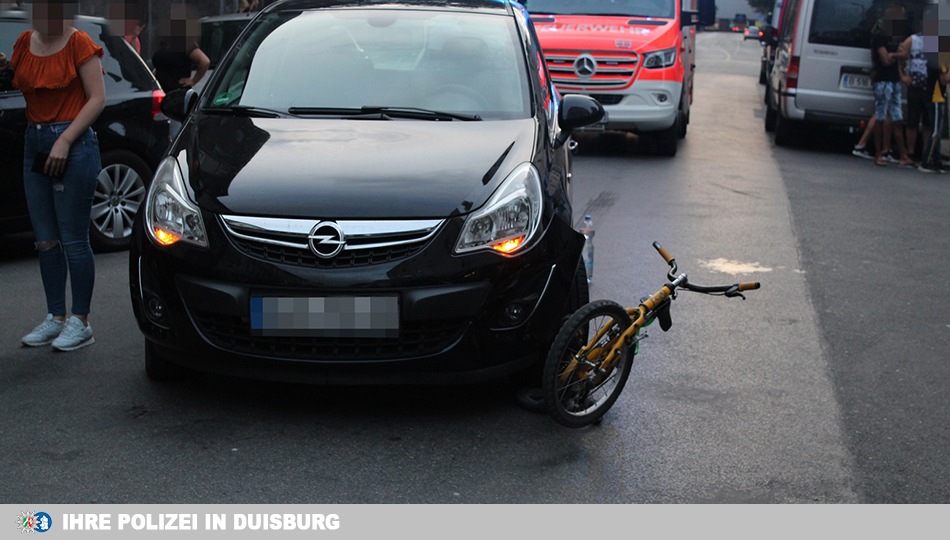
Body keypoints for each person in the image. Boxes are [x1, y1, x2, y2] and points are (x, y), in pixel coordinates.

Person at [11, 0, 105, 351]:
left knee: (74, 239)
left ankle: (81, 321)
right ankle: (56, 317)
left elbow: (97, 99)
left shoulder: (79, 42)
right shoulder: (24, 42)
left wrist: (65, 140)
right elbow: (25, 83)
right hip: (35, 142)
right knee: (46, 239)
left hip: (73, 143)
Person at [151, 4, 209, 137]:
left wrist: (193, 80)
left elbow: (204, 62)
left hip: (176, 96)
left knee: (175, 131)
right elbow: (160, 64)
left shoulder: (187, 43)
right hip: (160, 93)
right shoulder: (165, 43)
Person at [870, 3, 914, 168]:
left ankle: (903, 155)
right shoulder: (879, 36)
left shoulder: (896, 37)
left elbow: (903, 54)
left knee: (897, 118)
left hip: (895, 81)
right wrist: (897, 55)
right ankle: (878, 154)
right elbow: (885, 60)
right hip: (883, 81)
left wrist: (894, 54)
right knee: (880, 117)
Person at [898, 29, 928, 164]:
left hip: (932, 87)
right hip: (914, 86)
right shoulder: (913, 39)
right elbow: (900, 55)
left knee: (928, 123)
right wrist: (903, 76)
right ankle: (910, 152)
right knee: (912, 121)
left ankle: (926, 154)